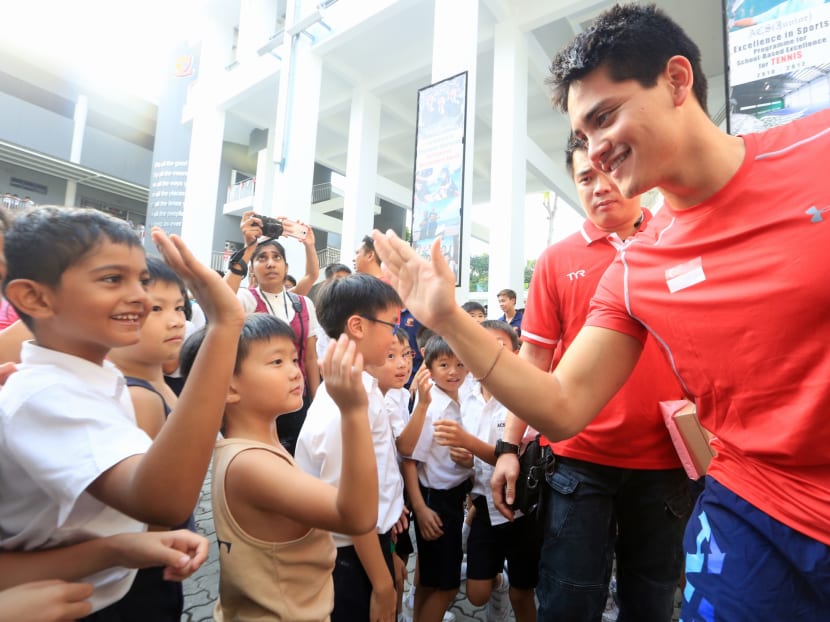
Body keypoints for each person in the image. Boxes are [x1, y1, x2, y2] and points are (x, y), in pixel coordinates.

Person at [373, 3, 830, 619]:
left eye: (605, 117)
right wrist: (450, 319)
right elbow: (561, 404)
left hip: (675, 475)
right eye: (582, 138)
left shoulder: (817, 151)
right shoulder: (638, 269)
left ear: (676, 80)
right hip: (750, 513)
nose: (596, 153)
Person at [0, 206, 245, 614]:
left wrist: (121, 548)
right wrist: (224, 326)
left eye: (142, 279)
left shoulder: (89, 378)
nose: (140, 296)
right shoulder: (45, 394)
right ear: (35, 298)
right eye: (113, 279)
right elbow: (163, 499)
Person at [493, 137, 690, 621]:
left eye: (610, 170)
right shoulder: (556, 261)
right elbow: (533, 359)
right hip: (579, 463)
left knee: (652, 600)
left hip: (666, 462)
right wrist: (508, 449)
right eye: (585, 178)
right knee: (568, 598)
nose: (600, 187)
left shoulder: (679, 242)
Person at [179, 313, 378, 620]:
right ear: (228, 387)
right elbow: (357, 516)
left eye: (294, 359)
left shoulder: (255, 450)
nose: (295, 372)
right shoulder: (250, 465)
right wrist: (353, 411)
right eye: (276, 362)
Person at [295, 273, 406, 622]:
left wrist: (392, 507)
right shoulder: (344, 406)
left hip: (373, 541)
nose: (395, 334)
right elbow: (349, 515)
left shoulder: (365, 389)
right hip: (350, 556)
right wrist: (382, 584)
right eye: (391, 323)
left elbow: (378, 468)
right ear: (357, 325)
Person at [106, 256, 197, 620]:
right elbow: (155, 517)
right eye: (154, 308)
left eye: (178, 306)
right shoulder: (139, 398)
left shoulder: (158, 384)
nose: (176, 319)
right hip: (143, 572)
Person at [225, 214, 321, 455]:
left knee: (300, 457)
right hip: (258, 400)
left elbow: (310, 358)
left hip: (297, 397)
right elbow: (223, 297)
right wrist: (248, 246)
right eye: (262, 258)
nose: (270, 263)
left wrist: (317, 401)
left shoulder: (302, 304)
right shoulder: (246, 299)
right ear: (253, 269)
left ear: (286, 267)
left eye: (277, 257)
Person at [401, 335, 472, 622]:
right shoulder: (432, 407)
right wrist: (421, 508)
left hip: (451, 496)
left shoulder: (462, 396)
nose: (453, 371)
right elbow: (410, 460)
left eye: (460, 364)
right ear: (428, 367)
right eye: (444, 365)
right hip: (437, 501)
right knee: (447, 585)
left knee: (430, 580)